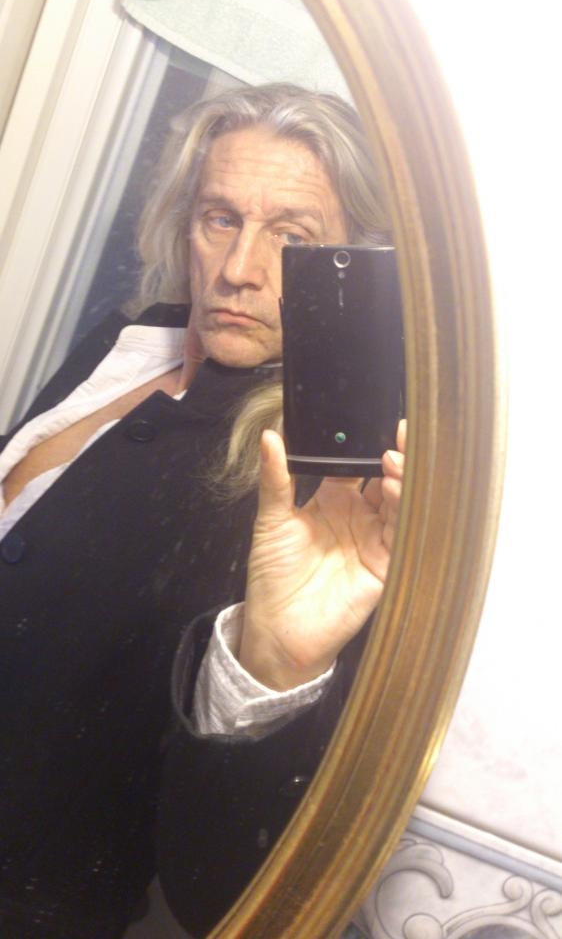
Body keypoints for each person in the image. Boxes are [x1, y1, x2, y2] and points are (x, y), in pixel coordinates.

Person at [0, 84, 405, 938]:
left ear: (352, 268)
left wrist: (271, 669)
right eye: (220, 217)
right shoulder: (130, 339)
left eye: (292, 237)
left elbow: (220, 891)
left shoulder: (317, 486)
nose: (238, 269)